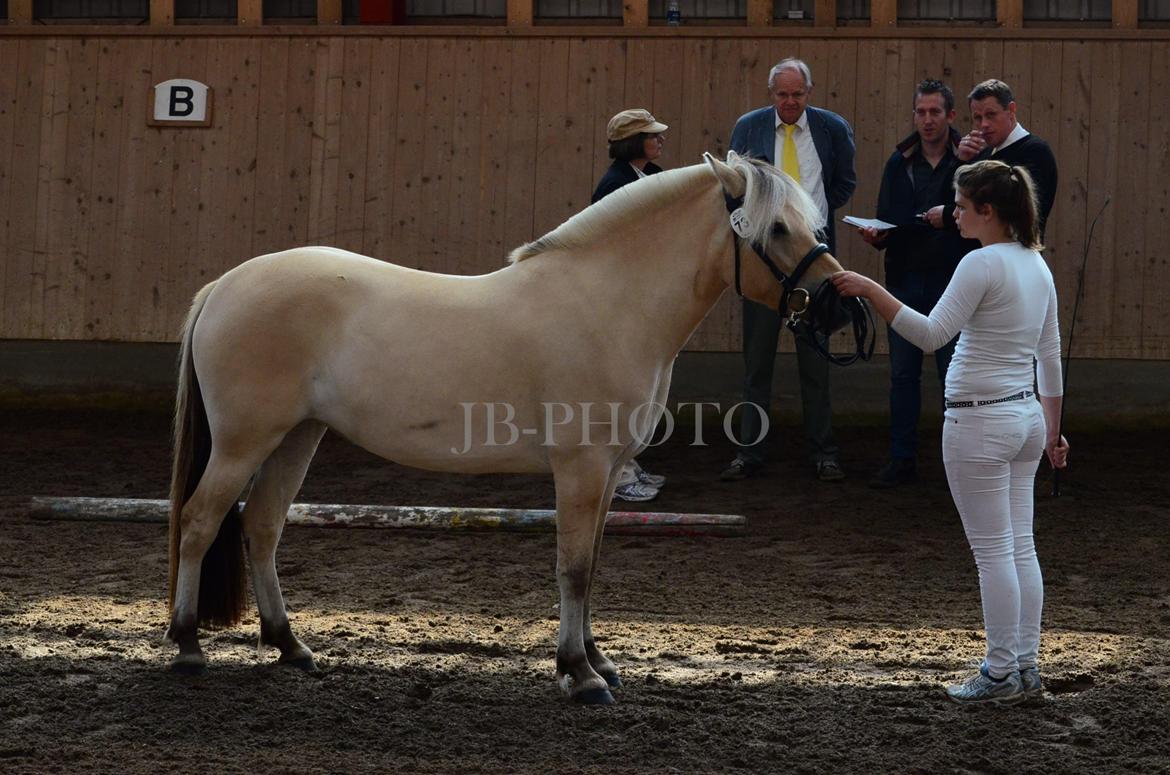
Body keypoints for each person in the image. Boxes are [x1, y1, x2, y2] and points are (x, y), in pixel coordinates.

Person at [832, 160, 1070, 706]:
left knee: (993, 555)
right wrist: (1054, 432)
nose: (955, 213)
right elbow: (1050, 356)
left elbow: (931, 334)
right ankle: (1024, 666)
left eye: (962, 206)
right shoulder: (1037, 264)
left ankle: (1000, 670)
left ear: (987, 211)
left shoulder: (979, 263)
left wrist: (872, 289)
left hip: (979, 420)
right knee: (1019, 548)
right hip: (1025, 418)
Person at [721, 57, 856, 483]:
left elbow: (843, 184)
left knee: (815, 365)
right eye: (783, 94)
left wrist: (809, 223)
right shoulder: (749, 127)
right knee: (756, 366)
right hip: (765, 264)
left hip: (812, 264)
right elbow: (733, 186)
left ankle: (823, 452)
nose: (790, 102)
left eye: (798, 94)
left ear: (809, 93)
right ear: (771, 94)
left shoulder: (832, 128)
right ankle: (749, 453)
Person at [857, 79, 975, 489]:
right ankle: (902, 460)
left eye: (935, 112)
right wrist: (878, 235)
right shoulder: (899, 162)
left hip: (951, 282)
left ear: (950, 116)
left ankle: (956, 464)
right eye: (921, 112)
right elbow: (886, 216)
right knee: (903, 376)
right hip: (905, 280)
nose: (927, 120)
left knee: (953, 378)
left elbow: (981, 225)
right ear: (914, 115)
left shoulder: (968, 163)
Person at [590, 108, 670, 502]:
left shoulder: (650, 178)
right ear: (633, 143)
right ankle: (617, 471)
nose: (659, 140)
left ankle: (626, 461)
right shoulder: (614, 186)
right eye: (652, 135)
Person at [924, 79, 1058, 240]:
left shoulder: (1036, 152)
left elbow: (1016, 212)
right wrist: (960, 161)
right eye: (977, 118)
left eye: (991, 115)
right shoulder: (983, 152)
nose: (984, 124)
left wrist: (948, 215)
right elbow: (945, 197)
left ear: (1011, 110)